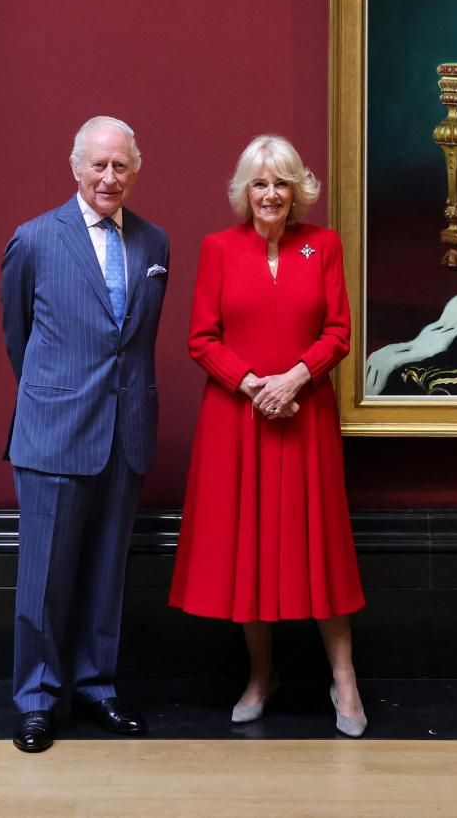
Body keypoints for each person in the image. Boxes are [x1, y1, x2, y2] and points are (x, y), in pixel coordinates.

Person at [169, 135, 367, 737]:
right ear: (245, 192)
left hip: (306, 418)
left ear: (297, 190)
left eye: (281, 182)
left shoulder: (323, 246)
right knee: (249, 547)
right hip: (239, 420)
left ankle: (345, 680)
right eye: (260, 183)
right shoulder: (218, 248)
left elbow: (338, 332)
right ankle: (261, 676)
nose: (271, 194)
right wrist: (255, 385)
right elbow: (201, 338)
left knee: (321, 546)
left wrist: (296, 378)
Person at [0, 116, 171, 754]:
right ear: (75, 168)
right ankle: (38, 701)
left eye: (120, 165)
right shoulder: (35, 239)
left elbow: (136, 341)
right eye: (98, 165)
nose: (109, 177)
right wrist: (58, 396)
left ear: (135, 171)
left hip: (126, 433)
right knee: (44, 578)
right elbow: (17, 336)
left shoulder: (154, 243)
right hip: (54, 432)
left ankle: (97, 688)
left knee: (106, 574)